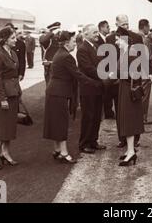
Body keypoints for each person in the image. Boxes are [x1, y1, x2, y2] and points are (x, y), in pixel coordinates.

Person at [43, 31, 100, 164]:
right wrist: (95, 83)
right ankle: (63, 152)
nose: (75, 43)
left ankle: (57, 150)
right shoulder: (66, 57)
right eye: (74, 41)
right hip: (59, 92)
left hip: (55, 92)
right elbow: (78, 75)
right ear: (67, 42)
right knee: (61, 123)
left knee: (56, 122)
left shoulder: (60, 53)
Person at [113, 25, 145, 166]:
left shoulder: (130, 52)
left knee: (129, 120)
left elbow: (134, 73)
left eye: (117, 39)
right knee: (126, 119)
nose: (116, 42)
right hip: (124, 88)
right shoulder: (126, 51)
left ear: (124, 39)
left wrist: (115, 74)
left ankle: (131, 152)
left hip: (128, 90)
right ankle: (129, 150)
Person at [0, 27, 22, 170]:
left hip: (14, 93)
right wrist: (2, 98)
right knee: (2, 126)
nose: (16, 40)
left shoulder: (13, 53)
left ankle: (6, 152)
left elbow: (14, 75)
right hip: (3, 95)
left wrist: (18, 92)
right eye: (13, 38)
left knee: (10, 126)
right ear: (5, 39)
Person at [76, 24, 106, 154]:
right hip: (88, 89)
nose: (96, 35)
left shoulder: (97, 47)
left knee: (97, 116)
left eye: (96, 33)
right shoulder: (82, 49)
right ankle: (84, 144)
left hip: (98, 87)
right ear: (86, 34)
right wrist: (104, 75)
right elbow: (88, 68)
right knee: (88, 116)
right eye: (94, 33)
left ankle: (93, 141)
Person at [138, 18, 152, 125]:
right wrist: (150, 73)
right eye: (148, 27)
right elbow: (149, 57)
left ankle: (138, 116)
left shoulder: (135, 37)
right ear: (145, 26)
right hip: (144, 70)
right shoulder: (145, 40)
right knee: (145, 95)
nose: (149, 29)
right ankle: (143, 117)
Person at [97, 20, 115, 119]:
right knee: (105, 92)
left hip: (107, 69)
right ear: (102, 28)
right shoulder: (99, 39)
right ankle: (107, 112)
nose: (109, 28)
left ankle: (108, 112)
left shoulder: (106, 39)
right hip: (103, 70)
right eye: (107, 27)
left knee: (108, 92)